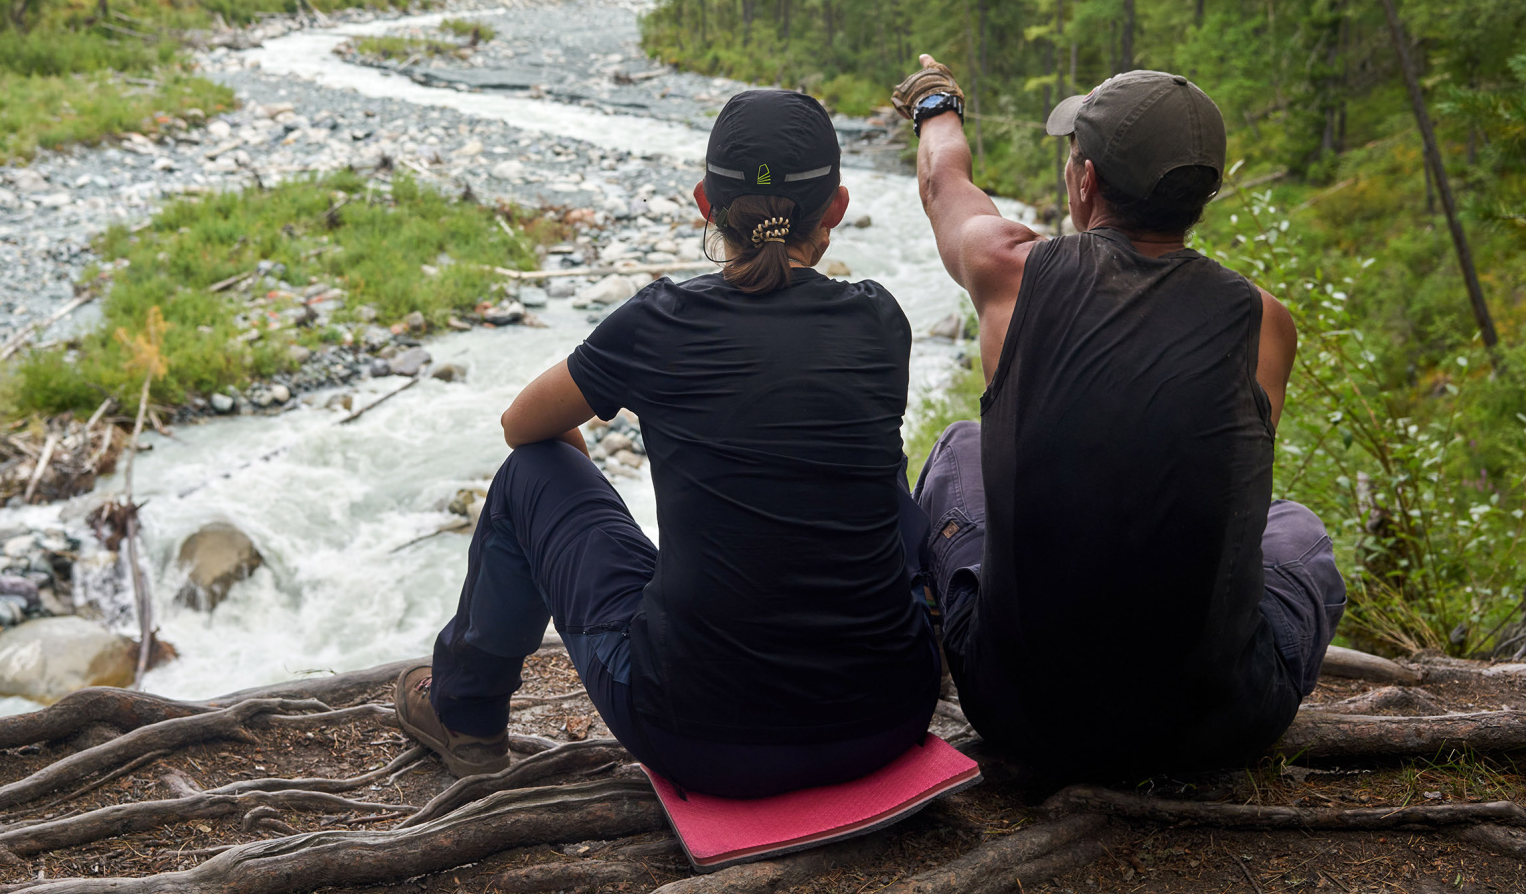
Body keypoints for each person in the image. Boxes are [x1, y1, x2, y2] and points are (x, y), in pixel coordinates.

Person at [396, 89, 940, 797]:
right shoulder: (879, 320)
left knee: (532, 470)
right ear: (835, 207)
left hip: (703, 737)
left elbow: (520, 426)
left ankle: (464, 713)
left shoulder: (660, 321)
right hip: (888, 717)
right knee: (868, 466)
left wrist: (578, 487)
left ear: (704, 204)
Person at [893, 58, 1347, 778]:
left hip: (1020, 711)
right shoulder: (1264, 324)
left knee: (958, 449)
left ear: (1085, 181)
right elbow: (1215, 491)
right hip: (1217, 728)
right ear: (1200, 196)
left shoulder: (1014, 273)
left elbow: (941, 182)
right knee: (1296, 529)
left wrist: (935, 101)